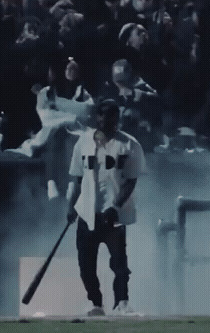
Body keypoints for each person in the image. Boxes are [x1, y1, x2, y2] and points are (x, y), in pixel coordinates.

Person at [66, 99, 143, 316]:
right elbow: (76, 177)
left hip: (113, 216)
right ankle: (95, 303)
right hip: (86, 213)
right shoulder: (83, 143)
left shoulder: (130, 145)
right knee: (85, 264)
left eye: (112, 115)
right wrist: (71, 206)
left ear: (118, 118)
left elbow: (131, 181)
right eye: (103, 115)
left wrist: (115, 206)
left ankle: (122, 302)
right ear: (97, 118)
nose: (108, 120)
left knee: (119, 264)